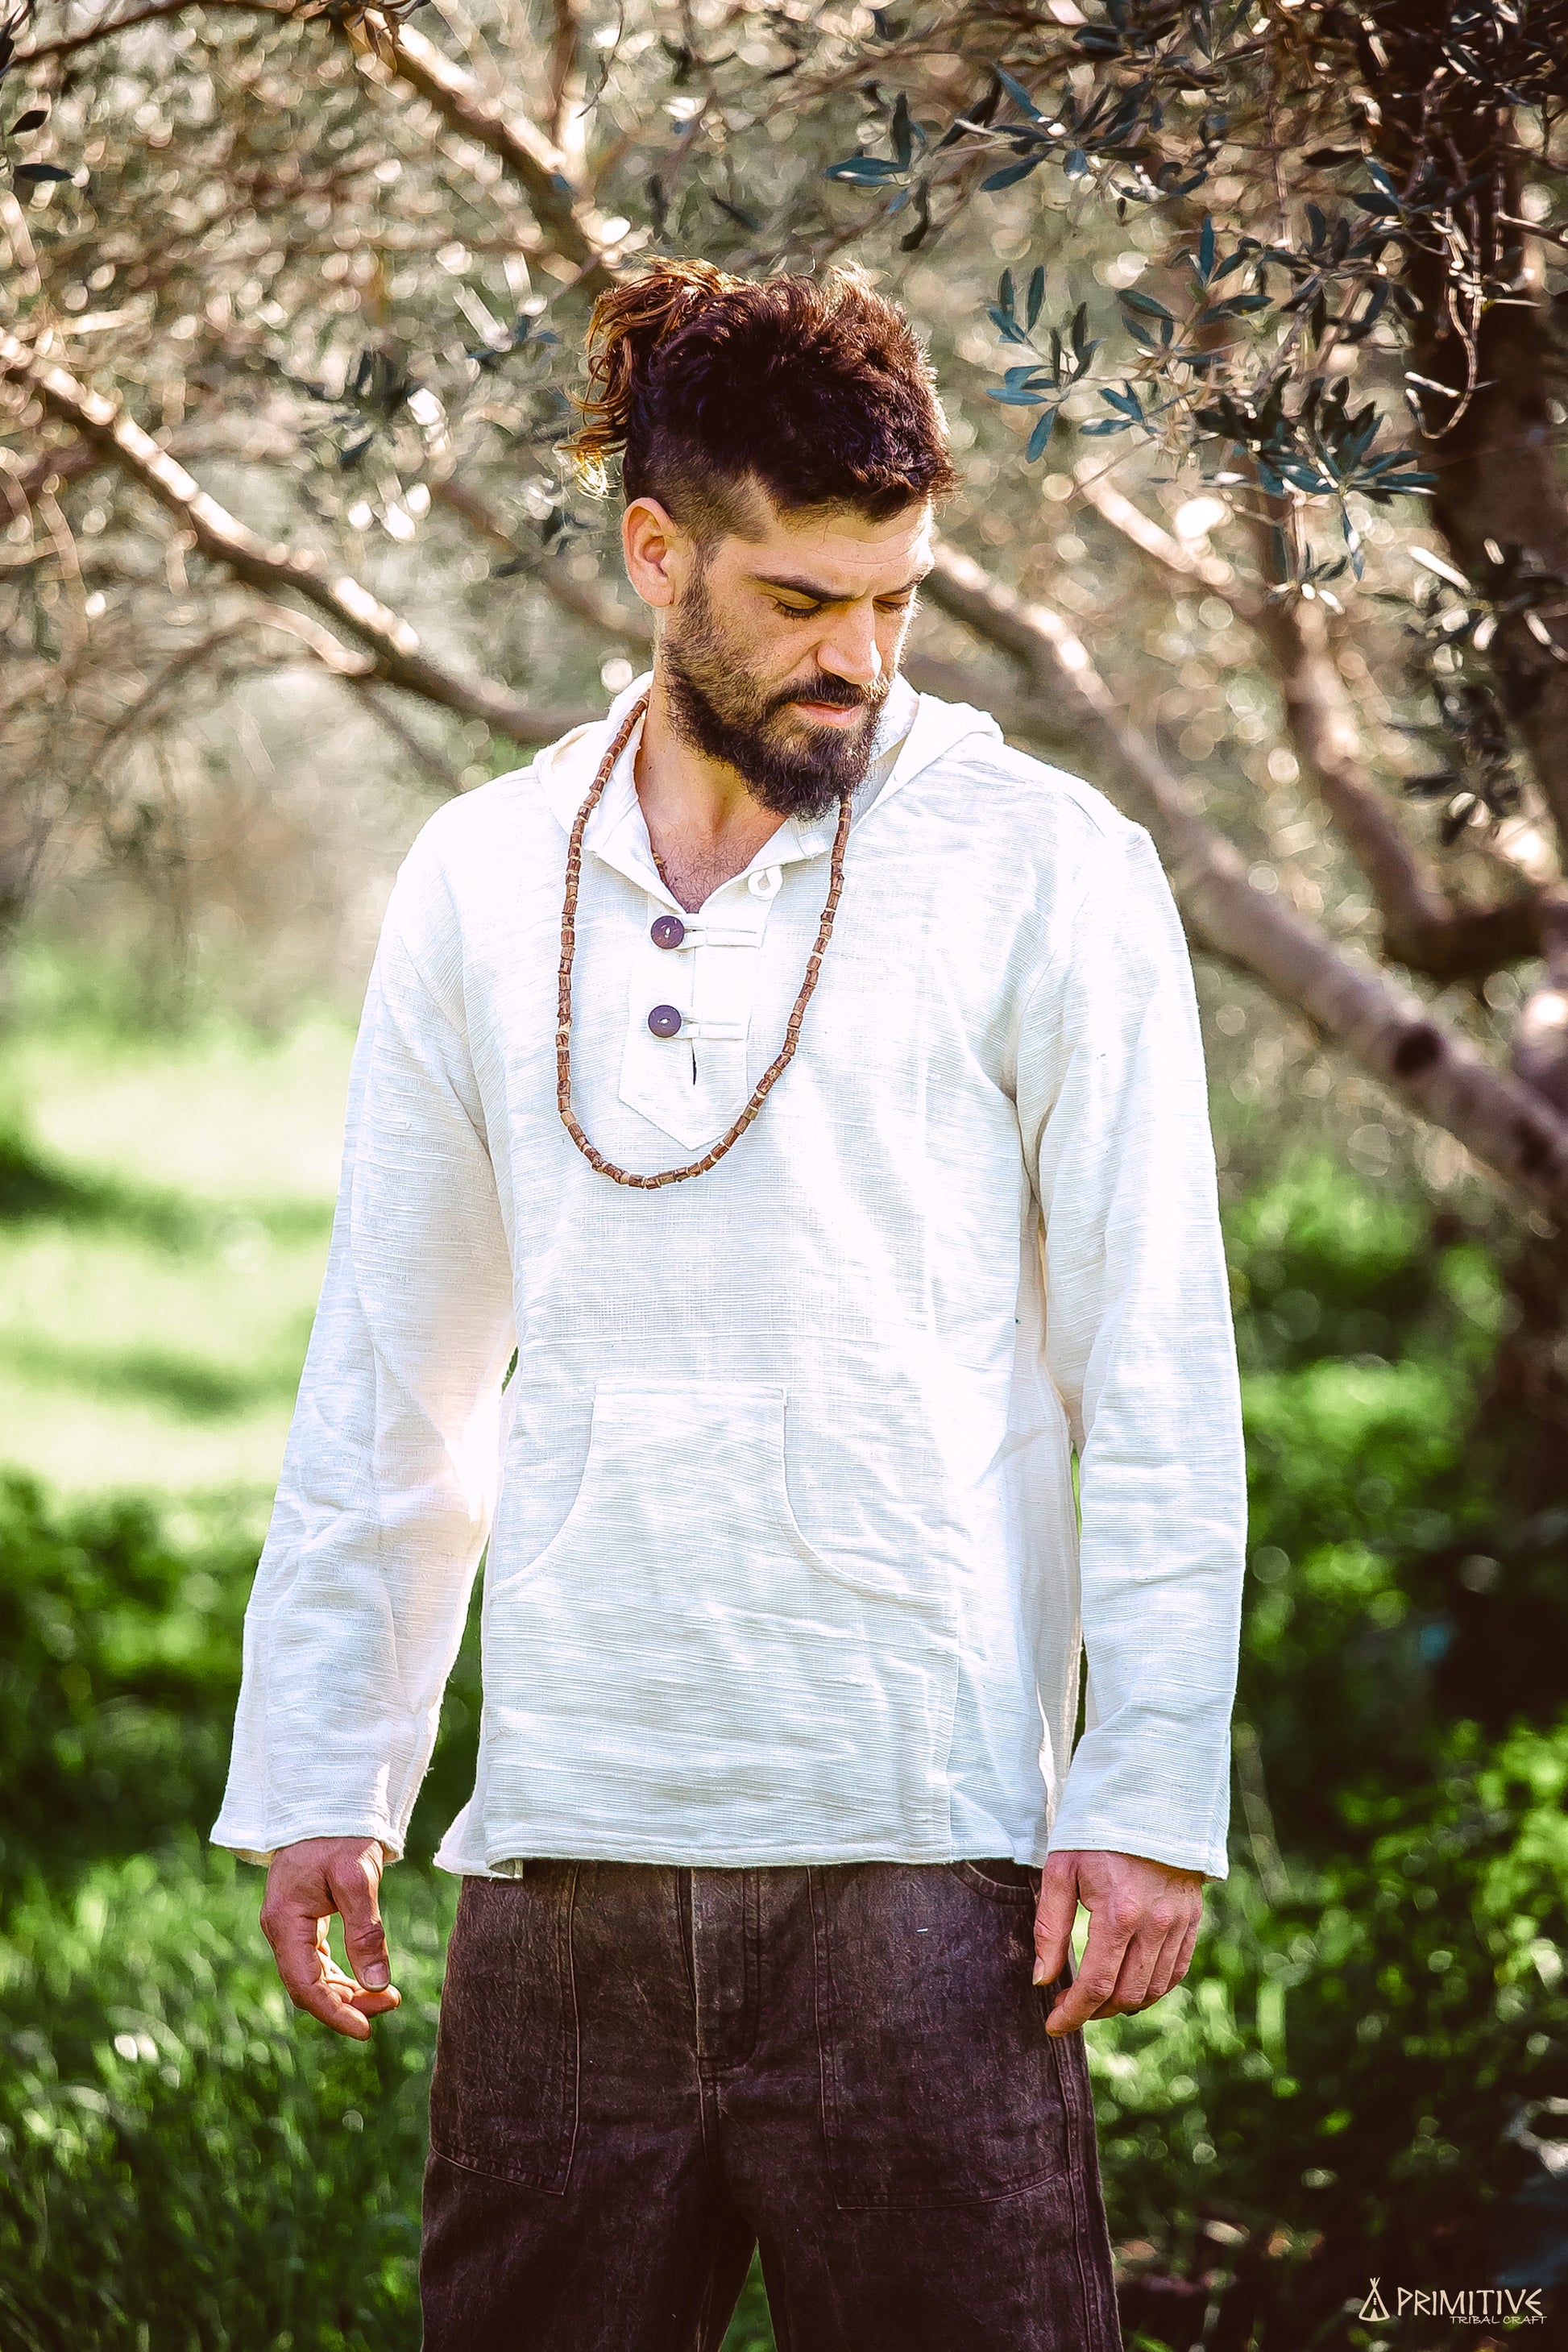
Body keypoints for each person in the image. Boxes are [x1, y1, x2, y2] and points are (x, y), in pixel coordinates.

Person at [213, 257, 1247, 2352]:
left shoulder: (1046, 866)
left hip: (923, 1860)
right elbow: (398, 1368)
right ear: (655, 554)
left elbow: (1151, 1361)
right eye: (798, 601)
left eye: (894, 601)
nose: (854, 656)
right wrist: (329, 1765)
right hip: (565, 1861)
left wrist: (1145, 1792)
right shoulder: (481, 876)